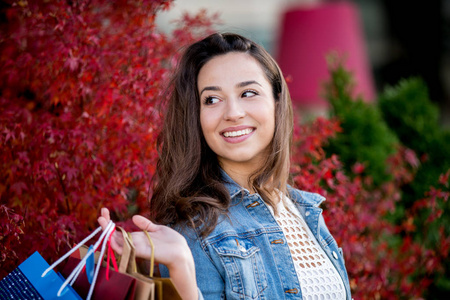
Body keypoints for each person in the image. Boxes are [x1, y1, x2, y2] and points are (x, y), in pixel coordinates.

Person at [98, 32, 351, 300]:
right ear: (196, 118)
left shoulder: (307, 211)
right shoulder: (196, 229)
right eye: (212, 99)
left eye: (248, 93)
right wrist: (180, 266)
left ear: (277, 102)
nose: (233, 112)